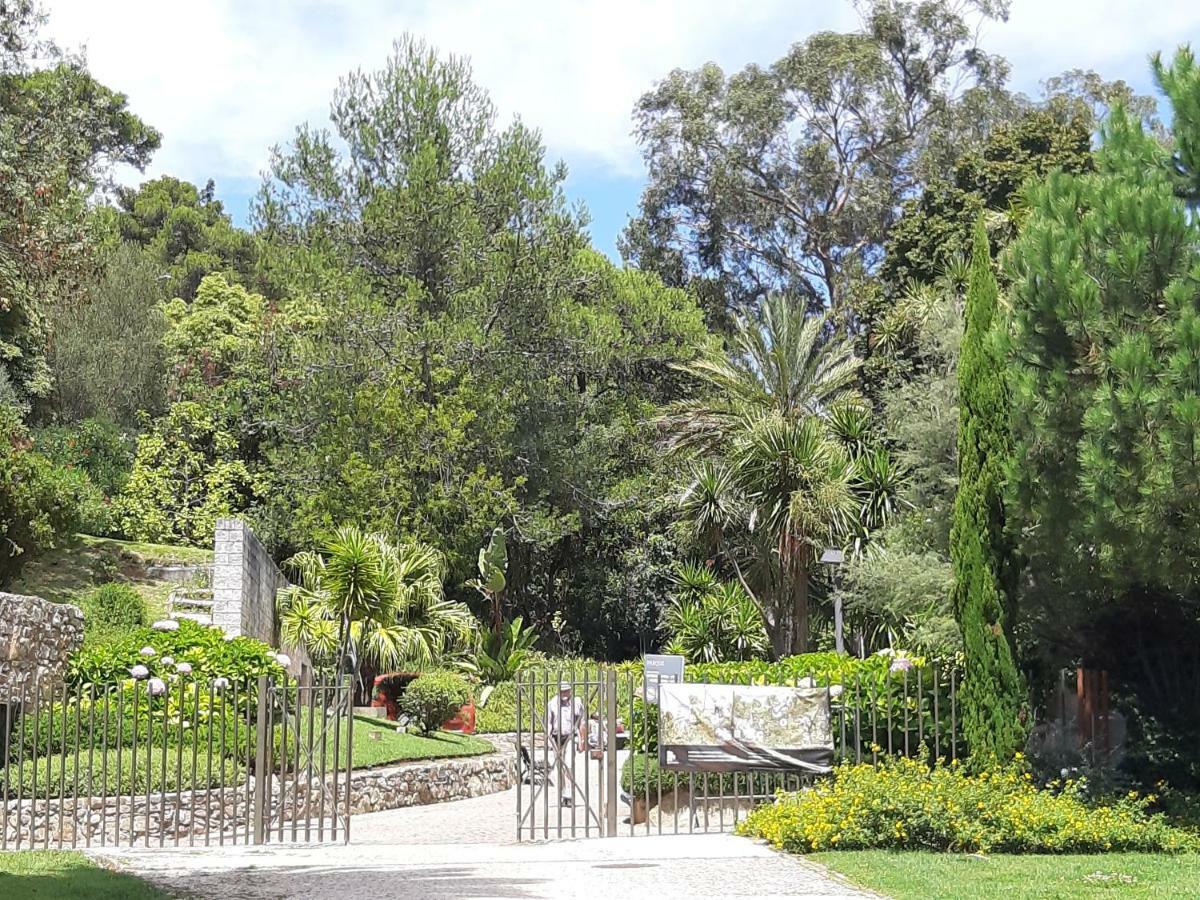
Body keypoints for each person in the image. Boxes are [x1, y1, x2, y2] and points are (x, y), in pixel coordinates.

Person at [546, 680, 586, 806]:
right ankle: (564, 792)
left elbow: (582, 722)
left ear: (571, 691)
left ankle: (569, 794)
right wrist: (547, 739)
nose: (564, 693)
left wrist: (582, 740)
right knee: (559, 767)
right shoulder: (552, 704)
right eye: (562, 690)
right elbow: (548, 723)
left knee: (568, 765)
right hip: (556, 737)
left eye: (567, 690)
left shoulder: (577, 703)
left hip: (570, 736)